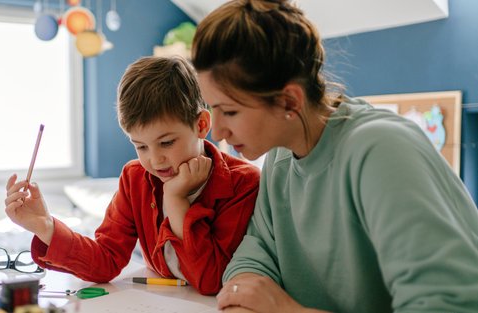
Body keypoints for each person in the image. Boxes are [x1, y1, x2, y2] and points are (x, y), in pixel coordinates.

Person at [191, 0, 478, 312]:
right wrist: (241, 297)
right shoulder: (280, 159)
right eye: (212, 109)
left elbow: (447, 305)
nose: (216, 131)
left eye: (230, 111)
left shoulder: (381, 151)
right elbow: (257, 250)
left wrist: (286, 310)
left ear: (289, 101)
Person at [4, 56, 260, 295]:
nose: (155, 160)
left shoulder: (243, 183)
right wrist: (45, 226)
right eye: (141, 146)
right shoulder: (135, 177)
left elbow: (211, 280)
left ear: (201, 124)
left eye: (167, 142)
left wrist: (176, 201)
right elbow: (106, 260)